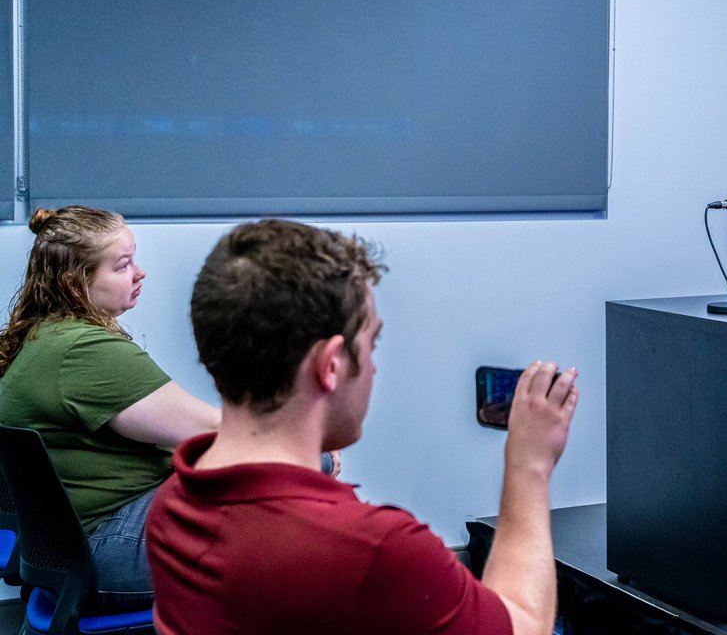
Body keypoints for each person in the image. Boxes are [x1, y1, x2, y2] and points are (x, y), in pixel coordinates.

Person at [146, 219, 579, 635]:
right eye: (372, 343)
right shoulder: (374, 550)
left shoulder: (172, 507)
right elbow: (523, 625)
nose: (372, 366)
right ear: (331, 364)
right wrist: (529, 465)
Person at [0, 206, 222, 612]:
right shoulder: (83, 350)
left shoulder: (43, 336)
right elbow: (215, 429)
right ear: (75, 282)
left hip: (76, 551)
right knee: (298, 467)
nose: (140, 273)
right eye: (122, 266)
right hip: (106, 552)